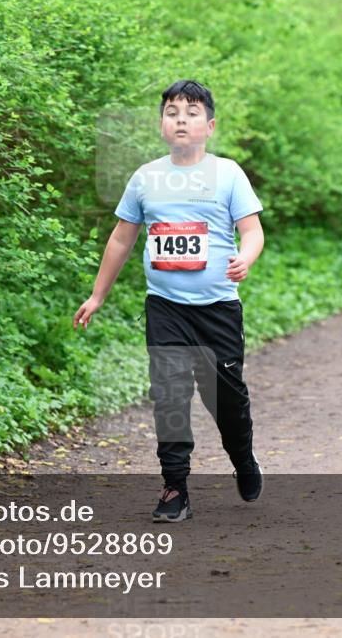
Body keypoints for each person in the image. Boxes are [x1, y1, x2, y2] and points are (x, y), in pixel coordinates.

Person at [73, 80, 264, 522]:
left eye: (192, 112)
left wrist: (245, 258)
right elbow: (122, 239)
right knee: (170, 395)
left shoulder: (228, 174)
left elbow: (252, 230)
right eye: (173, 111)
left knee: (226, 400)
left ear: (209, 125)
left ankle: (243, 458)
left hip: (218, 308)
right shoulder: (146, 178)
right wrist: (98, 294)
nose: (182, 118)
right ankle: (174, 488)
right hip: (166, 306)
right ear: (161, 125)